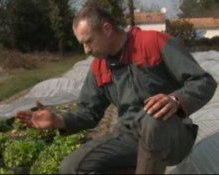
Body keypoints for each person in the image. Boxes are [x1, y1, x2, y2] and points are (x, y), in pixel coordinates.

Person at [16, 5, 217, 174]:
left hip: (173, 135)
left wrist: (175, 100)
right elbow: (89, 112)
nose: (86, 50)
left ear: (107, 28)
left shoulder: (153, 43)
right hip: (130, 137)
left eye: (88, 41)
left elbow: (203, 81)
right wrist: (59, 120)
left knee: (154, 118)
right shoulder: (99, 67)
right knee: (71, 167)